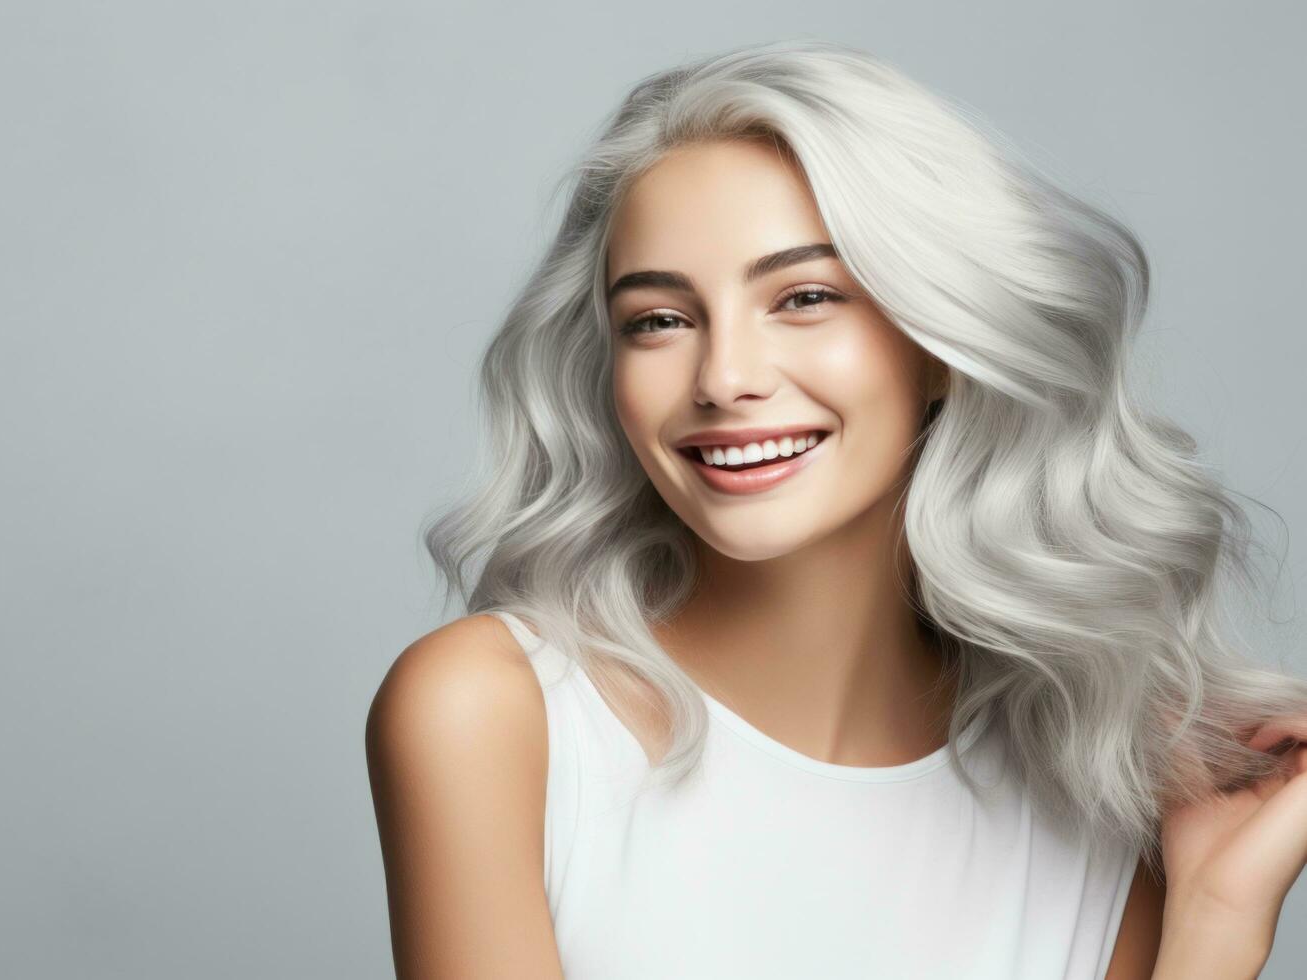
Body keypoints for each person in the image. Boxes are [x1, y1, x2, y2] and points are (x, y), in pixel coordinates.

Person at [364, 38, 1307, 979]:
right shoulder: (490, 712)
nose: (725, 378)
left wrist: (1214, 925)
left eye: (805, 297)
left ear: (939, 341)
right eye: (658, 319)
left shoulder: (1106, 779)